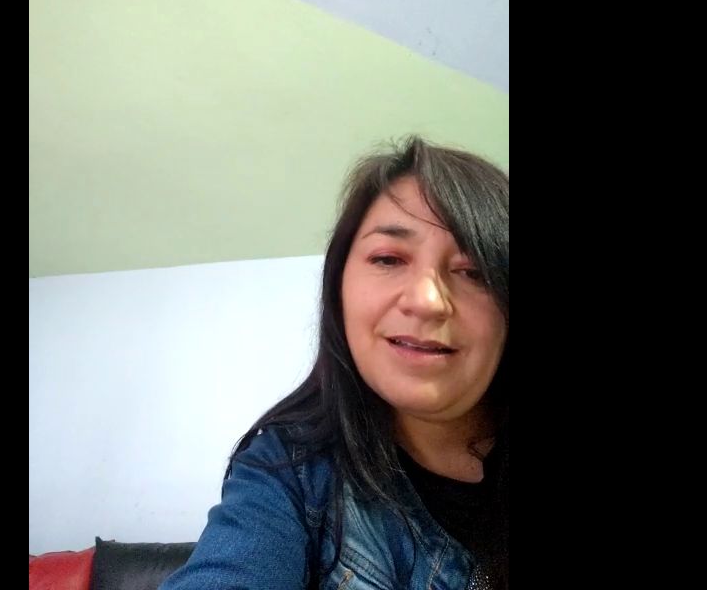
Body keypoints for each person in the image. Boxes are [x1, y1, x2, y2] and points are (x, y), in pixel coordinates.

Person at [161, 136, 509, 589]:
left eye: (474, 271)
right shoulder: (289, 471)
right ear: (339, 288)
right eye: (388, 258)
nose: (427, 300)